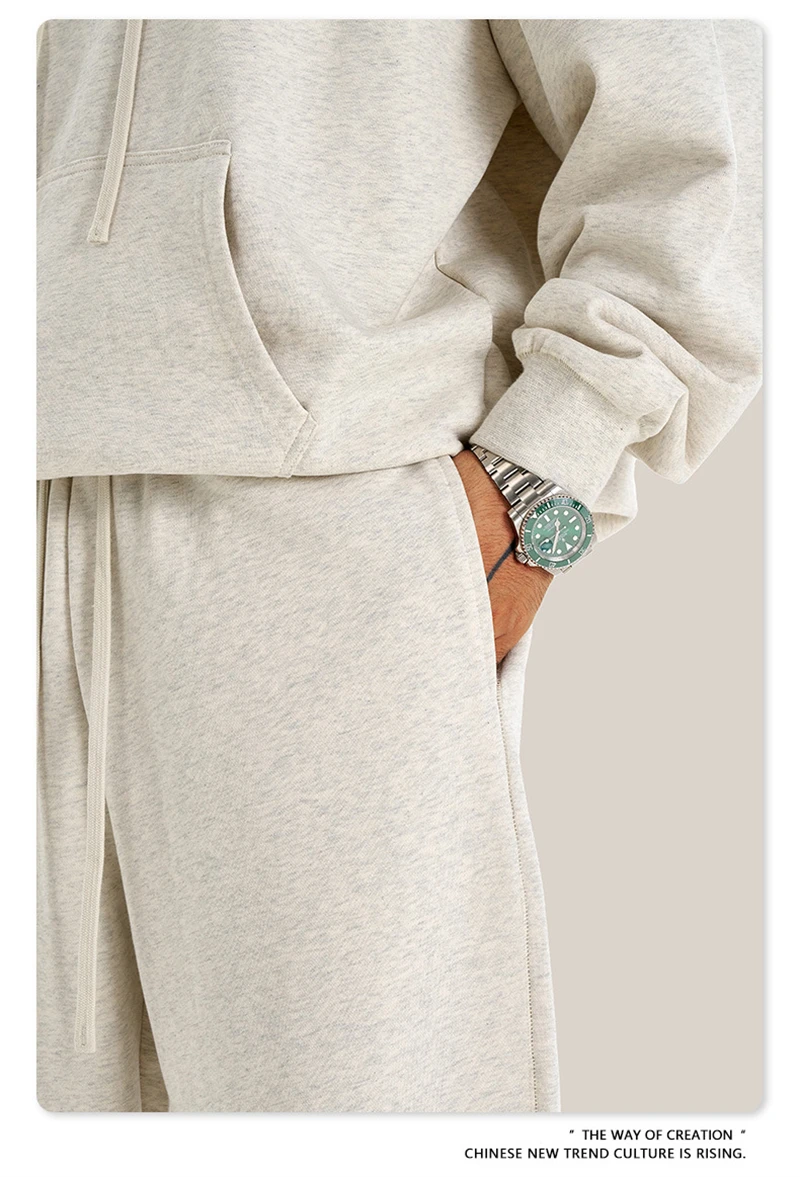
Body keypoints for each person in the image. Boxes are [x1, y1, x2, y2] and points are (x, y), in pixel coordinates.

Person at [36, 19, 762, 1113]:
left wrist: (541, 480)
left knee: (357, 1114)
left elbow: (692, 143)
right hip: (42, 488)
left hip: (330, 521)